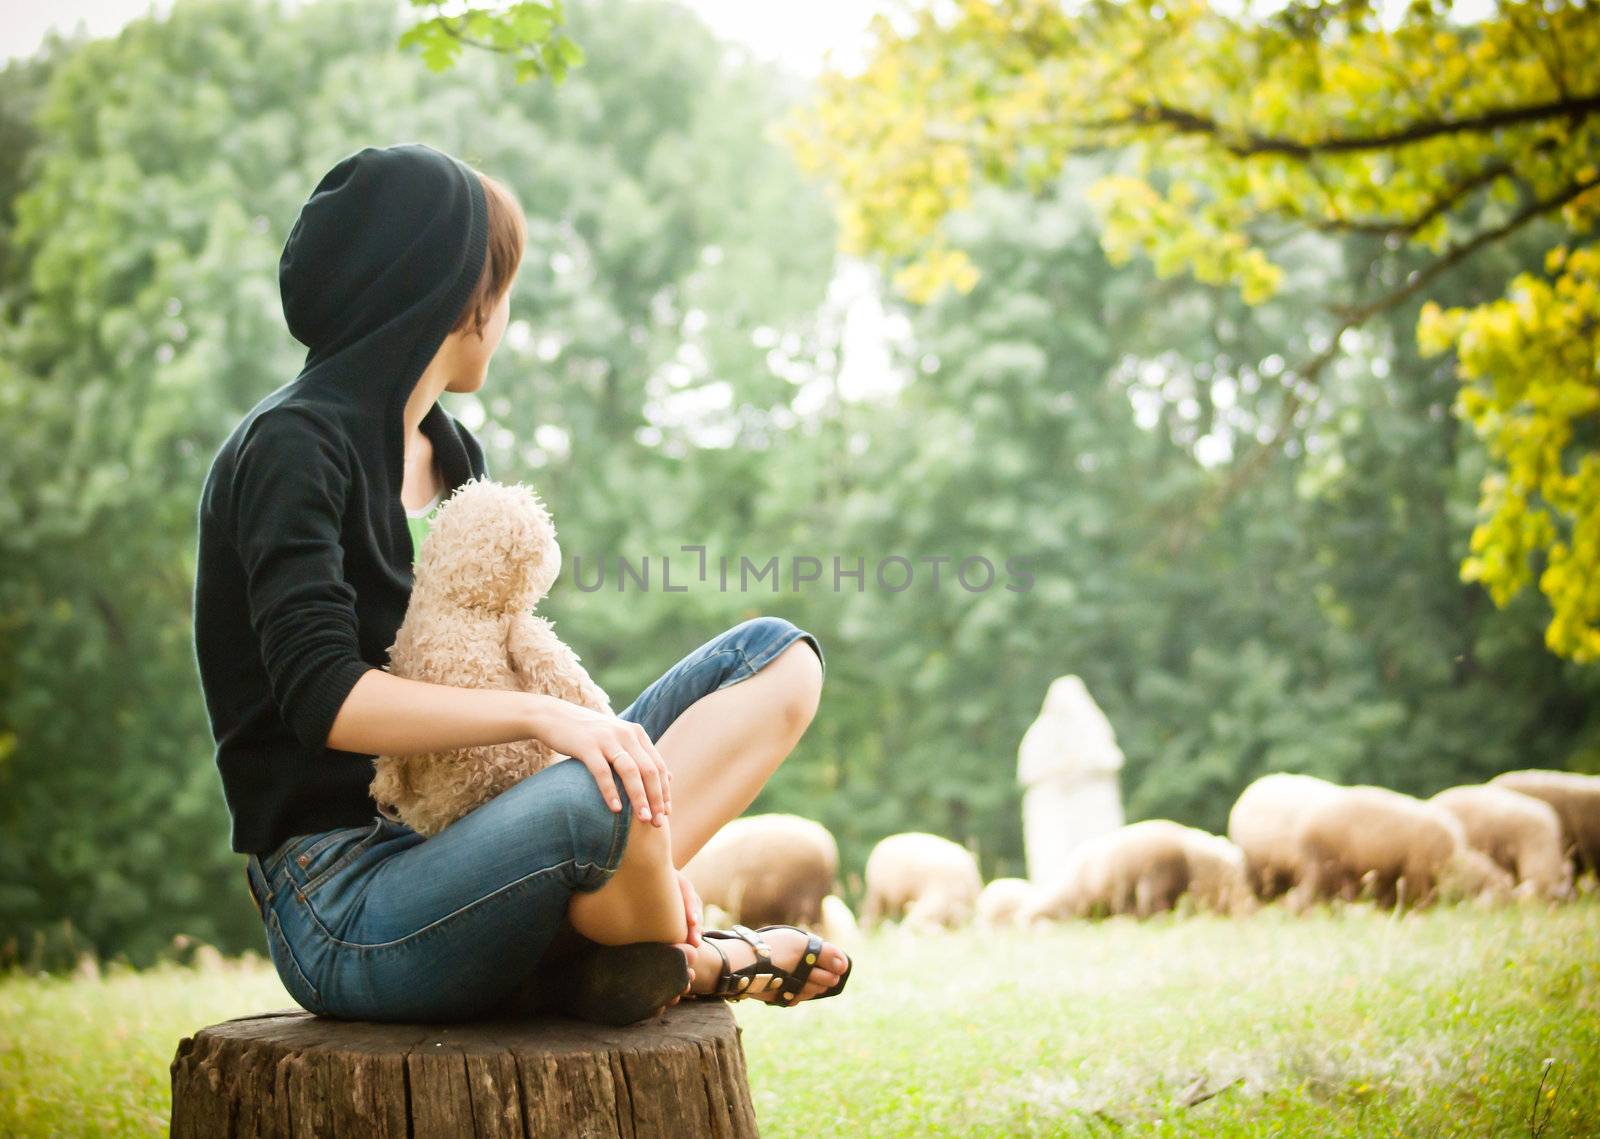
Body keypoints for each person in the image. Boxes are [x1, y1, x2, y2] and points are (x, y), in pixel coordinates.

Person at [191, 142, 851, 1024]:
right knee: (601, 787)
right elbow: (325, 699)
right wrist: (550, 721)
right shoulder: (289, 448)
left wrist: (577, 746)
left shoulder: (456, 454)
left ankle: (617, 940)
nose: (503, 315)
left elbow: (497, 671)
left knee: (775, 659)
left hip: (475, 832)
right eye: (500, 290)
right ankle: (692, 959)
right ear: (462, 299)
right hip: (345, 897)